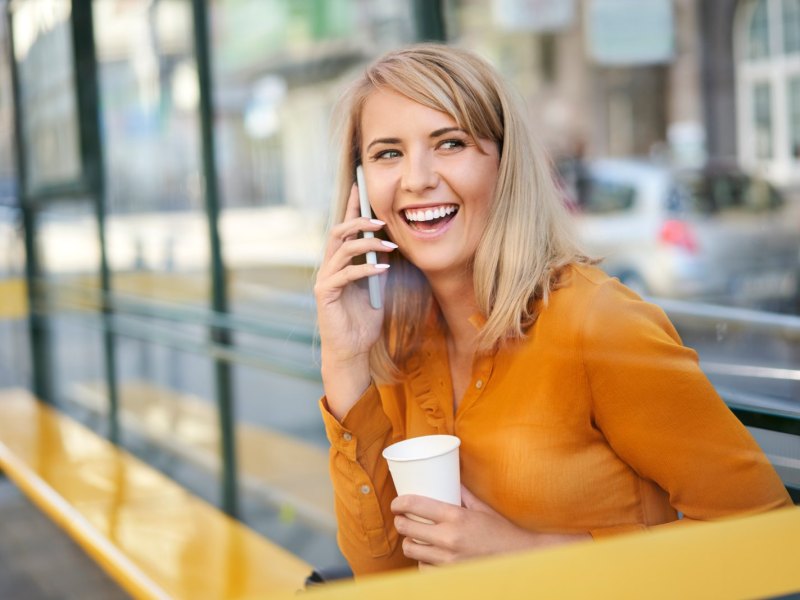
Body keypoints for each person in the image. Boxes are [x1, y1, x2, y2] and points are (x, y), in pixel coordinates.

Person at [314, 44, 792, 576]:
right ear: (361, 187)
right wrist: (344, 362)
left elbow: (769, 538)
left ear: (504, 164)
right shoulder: (395, 341)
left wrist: (526, 554)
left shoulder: (597, 321)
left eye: (450, 143)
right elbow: (382, 573)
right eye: (387, 153)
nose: (418, 178)